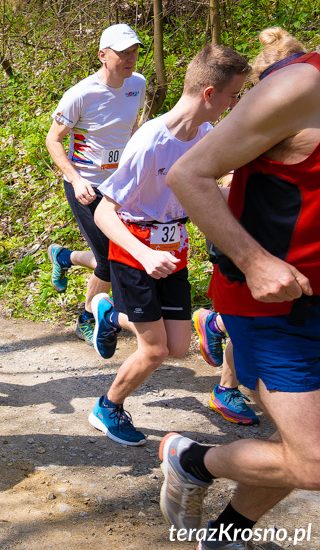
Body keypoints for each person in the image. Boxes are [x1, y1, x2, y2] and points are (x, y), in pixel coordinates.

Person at [159, 34, 319, 549]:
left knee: (305, 442)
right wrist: (254, 261)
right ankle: (191, 460)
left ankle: (228, 534)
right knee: (314, 461)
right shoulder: (300, 88)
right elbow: (189, 173)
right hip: (274, 305)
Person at [87, 45, 249, 447]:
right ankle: (107, 406)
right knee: (155, 350)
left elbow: (208, 189)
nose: (236, 104)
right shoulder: (150, 142)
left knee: (177, 347)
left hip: (174, 247)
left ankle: (110, 315)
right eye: (234, 95)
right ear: (209, 93)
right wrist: (143, 253)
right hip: (134, 247)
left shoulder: (205, 133)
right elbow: (105, 213)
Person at [45, 24, 146, 346]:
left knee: (118, 253)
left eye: (133, 51)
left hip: (120, 185)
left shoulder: (138, 84)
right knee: (107, 259)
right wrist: (75, 180)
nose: (129, 59)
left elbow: (130, 129)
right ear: (103, 55)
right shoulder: (81, 94)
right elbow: (53, 140)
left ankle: (63, 257)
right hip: (86, 185)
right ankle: (88, 318)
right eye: (122, 53)